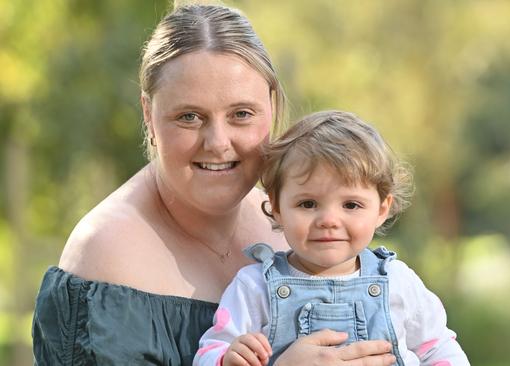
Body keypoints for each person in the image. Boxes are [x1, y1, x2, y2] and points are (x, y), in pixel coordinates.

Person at [32, 4, 397, 366]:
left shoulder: (292, 221)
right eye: (189, 117)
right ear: (148, 114)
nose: (218, 143)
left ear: (271, 106)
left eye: (241, 114)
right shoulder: (107, 254)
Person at [194, 110, 470, 366]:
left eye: (351, 205)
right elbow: (210, 351)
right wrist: (227, 358)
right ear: (277, 207)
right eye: (308, 204)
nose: (328, 220)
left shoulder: (398, 281)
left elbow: (439, 349)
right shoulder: (255, 288)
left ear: (381, 210)